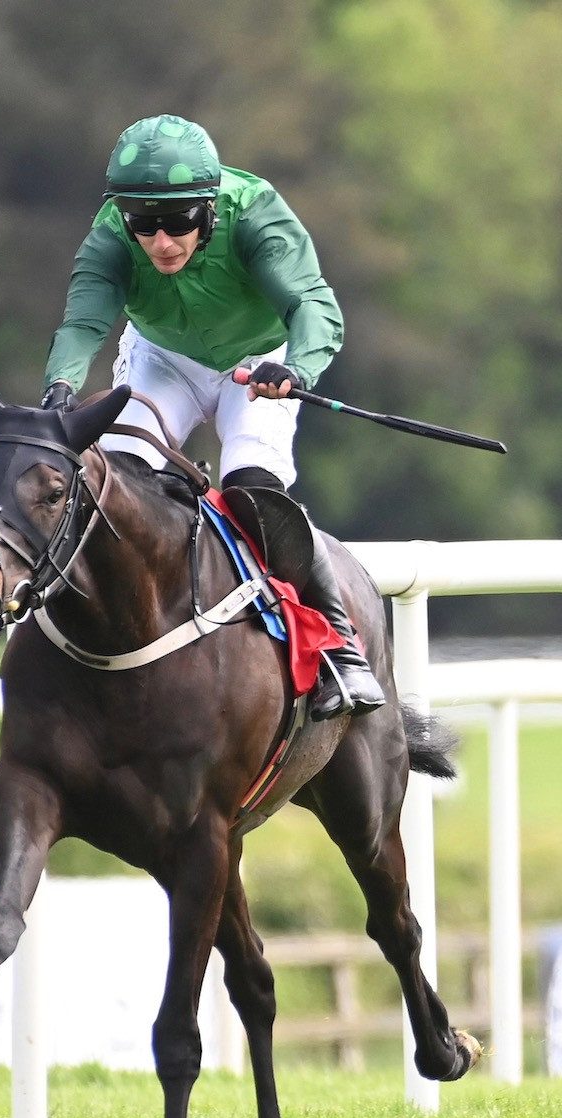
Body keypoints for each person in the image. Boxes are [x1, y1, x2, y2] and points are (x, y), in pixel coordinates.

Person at [41, 113, 384, 719]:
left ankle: (339, 647)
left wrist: (297, 369)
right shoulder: (110, 236)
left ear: (212, 208)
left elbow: (312, 304)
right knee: (121, 481)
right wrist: (61, 388)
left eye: (179, 222)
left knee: (253, 488)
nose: (161, 242)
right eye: (143, 224)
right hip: (160, 359)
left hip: (257, 364)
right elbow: (83, 324)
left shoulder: (255, 214)